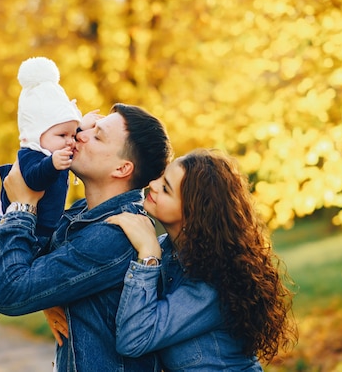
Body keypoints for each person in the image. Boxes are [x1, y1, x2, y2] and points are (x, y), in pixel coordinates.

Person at [0, 103, 172, 371]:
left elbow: (10, 292)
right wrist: (48, 297)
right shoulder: (81, 215)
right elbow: (24, 270)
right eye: (87, 128)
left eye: (97, 136)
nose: (79, 135)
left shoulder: (114, 235)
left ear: (122, 169)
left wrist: (21, 207)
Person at [107, 149, 298, 371]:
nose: (153, 184)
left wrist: (148, 255)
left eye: (166, 188)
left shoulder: (213, 282)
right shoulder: (166, 251)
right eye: (161, 176)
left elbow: (133, 340)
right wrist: (59, 304)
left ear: (192, 213)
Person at [0, 56, 99, 339]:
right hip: (2, 228)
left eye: (75, 134)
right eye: (64, 135)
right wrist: (52, 164)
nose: (71, 141)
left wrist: (81, 125)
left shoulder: (53, 145)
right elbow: (32, 178)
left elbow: (57, 126)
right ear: (37, 135)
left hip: (34, 233)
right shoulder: (32, 155)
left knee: (8, 283)